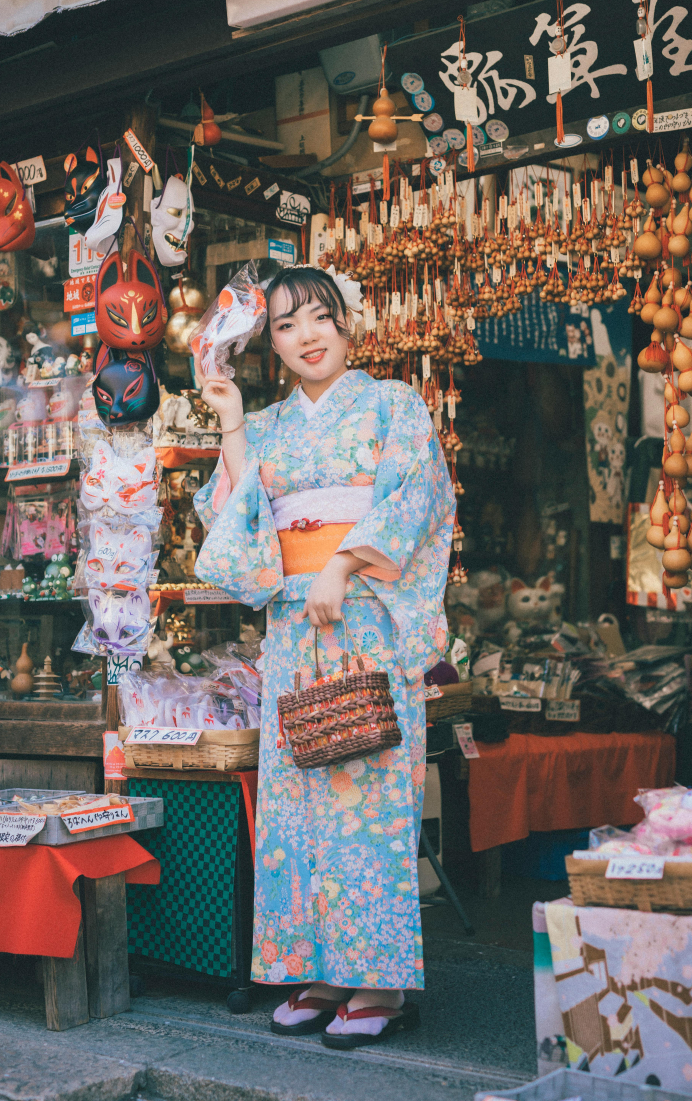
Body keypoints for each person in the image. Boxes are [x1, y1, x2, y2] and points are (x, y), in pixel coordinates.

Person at [195, 264, 454, 1048]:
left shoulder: (392, 405)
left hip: (366, 619)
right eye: (285, 325)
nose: (305, 336)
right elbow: (239, 518)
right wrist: (231, 421)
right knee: (297, 800)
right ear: (269, 342)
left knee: (367, 796)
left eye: (318, 317)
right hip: (292, 628)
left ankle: (378, 981)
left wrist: (341, 565)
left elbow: (417, 498)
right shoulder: (268, 425)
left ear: (346, 323)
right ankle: (320, 968)